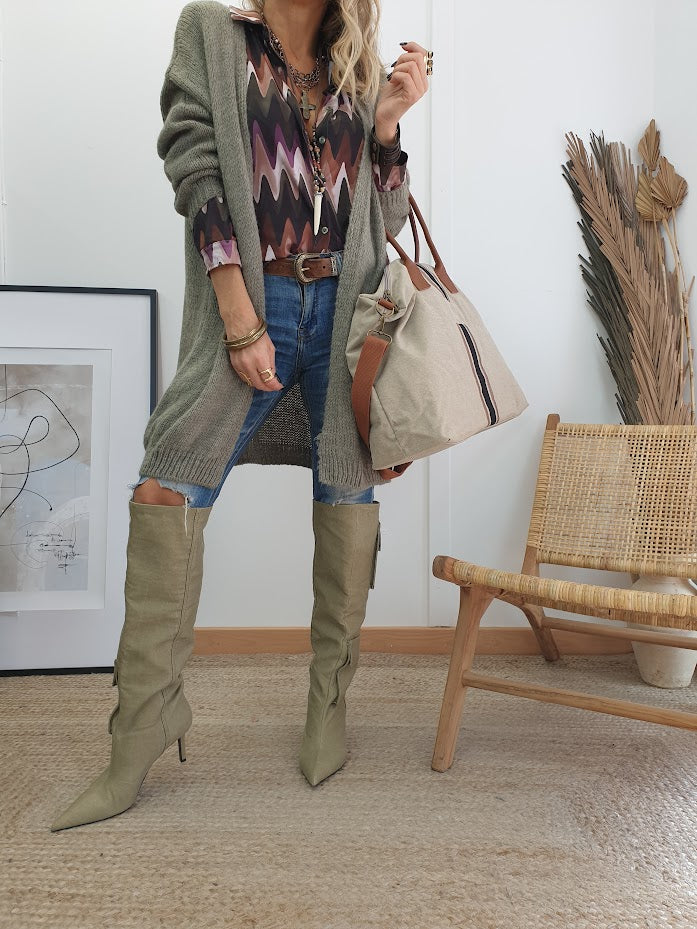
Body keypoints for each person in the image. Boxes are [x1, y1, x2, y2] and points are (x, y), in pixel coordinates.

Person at [51, 0, 431, 832]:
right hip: (258, 300)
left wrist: (387, 129)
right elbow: (196, 170)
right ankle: (142, 726)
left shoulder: (355, 64)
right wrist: (236, 313)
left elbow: (385, 221)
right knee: (167, 487)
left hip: (344, 316)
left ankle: (328, 704)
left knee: (347, 494)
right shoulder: (214, 33)